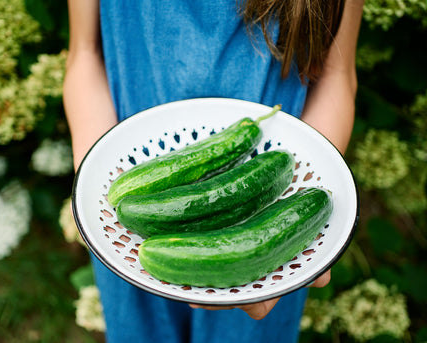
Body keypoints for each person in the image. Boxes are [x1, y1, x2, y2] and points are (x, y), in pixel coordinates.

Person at [63, 1, 364, 342]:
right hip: (132, 171)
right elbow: (83, 55)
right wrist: (95, 184)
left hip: (273, 196)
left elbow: (338, 74)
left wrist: (304, 213)